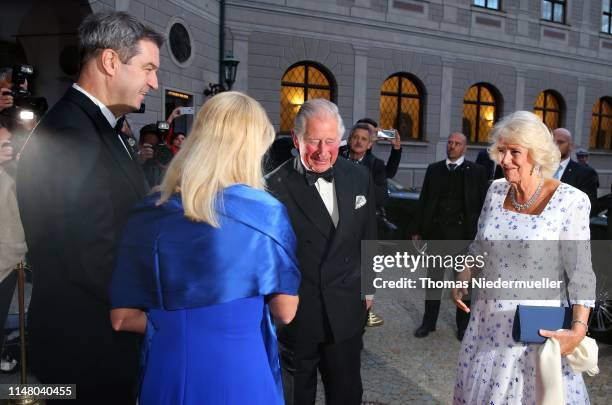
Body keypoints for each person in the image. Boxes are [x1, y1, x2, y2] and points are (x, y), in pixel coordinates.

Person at [110, 91, 299, 404]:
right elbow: (286, 311)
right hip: (240, 372)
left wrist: (173, 326)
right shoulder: (265, 213)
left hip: (169, 369)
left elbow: (121, 318)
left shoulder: (149, 212)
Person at [16, 11, 162, 404]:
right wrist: (154, 310)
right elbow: (89, 252)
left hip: (101, 337)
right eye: (147, 68)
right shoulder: (71, 133)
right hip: (85, 343)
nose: (154, 82)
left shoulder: (98, 127)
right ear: (111, 61)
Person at [452, 111, 595, 404]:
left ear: (538, 154)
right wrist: (464, 274)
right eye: (501, 151)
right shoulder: (495, 191)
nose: (504, 160)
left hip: (535, 327)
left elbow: (581, 272)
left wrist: (578, 330)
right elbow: (480, 245)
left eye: (514, 152)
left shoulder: (571, 201)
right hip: (487, 323)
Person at [266, 99, 377, 405]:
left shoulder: (358, 176)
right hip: (298, 315)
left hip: (346, 311)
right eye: (314, 141)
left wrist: (369, 288)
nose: (323, 151)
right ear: (296, 137)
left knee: (347, 394)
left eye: (331, 142)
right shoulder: (273, 186)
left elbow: (368, 235)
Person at [411, 132, 488, 340]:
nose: (452, 146)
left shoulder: (478, 172)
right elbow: (424, 200)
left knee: (463, 284)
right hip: (437, 235)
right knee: (433, 282)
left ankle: (463, 326)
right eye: (450, 143)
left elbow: (483, 206)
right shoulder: (434, 169)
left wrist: (481, 236)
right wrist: (418, 230)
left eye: (457, 144)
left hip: (464, 237)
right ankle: (428, 323)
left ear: (465, 148)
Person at [0, 122, 26, 373]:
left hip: (9, 264)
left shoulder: (14, 173)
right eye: (2, 144)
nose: (7, 148)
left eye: (9, 143)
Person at [552, 128, 599, 214]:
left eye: (560, 142)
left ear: (570, 146)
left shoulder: (585, 173)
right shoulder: (539, 169)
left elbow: (588, 207)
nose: (555, 146)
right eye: (552, 142)